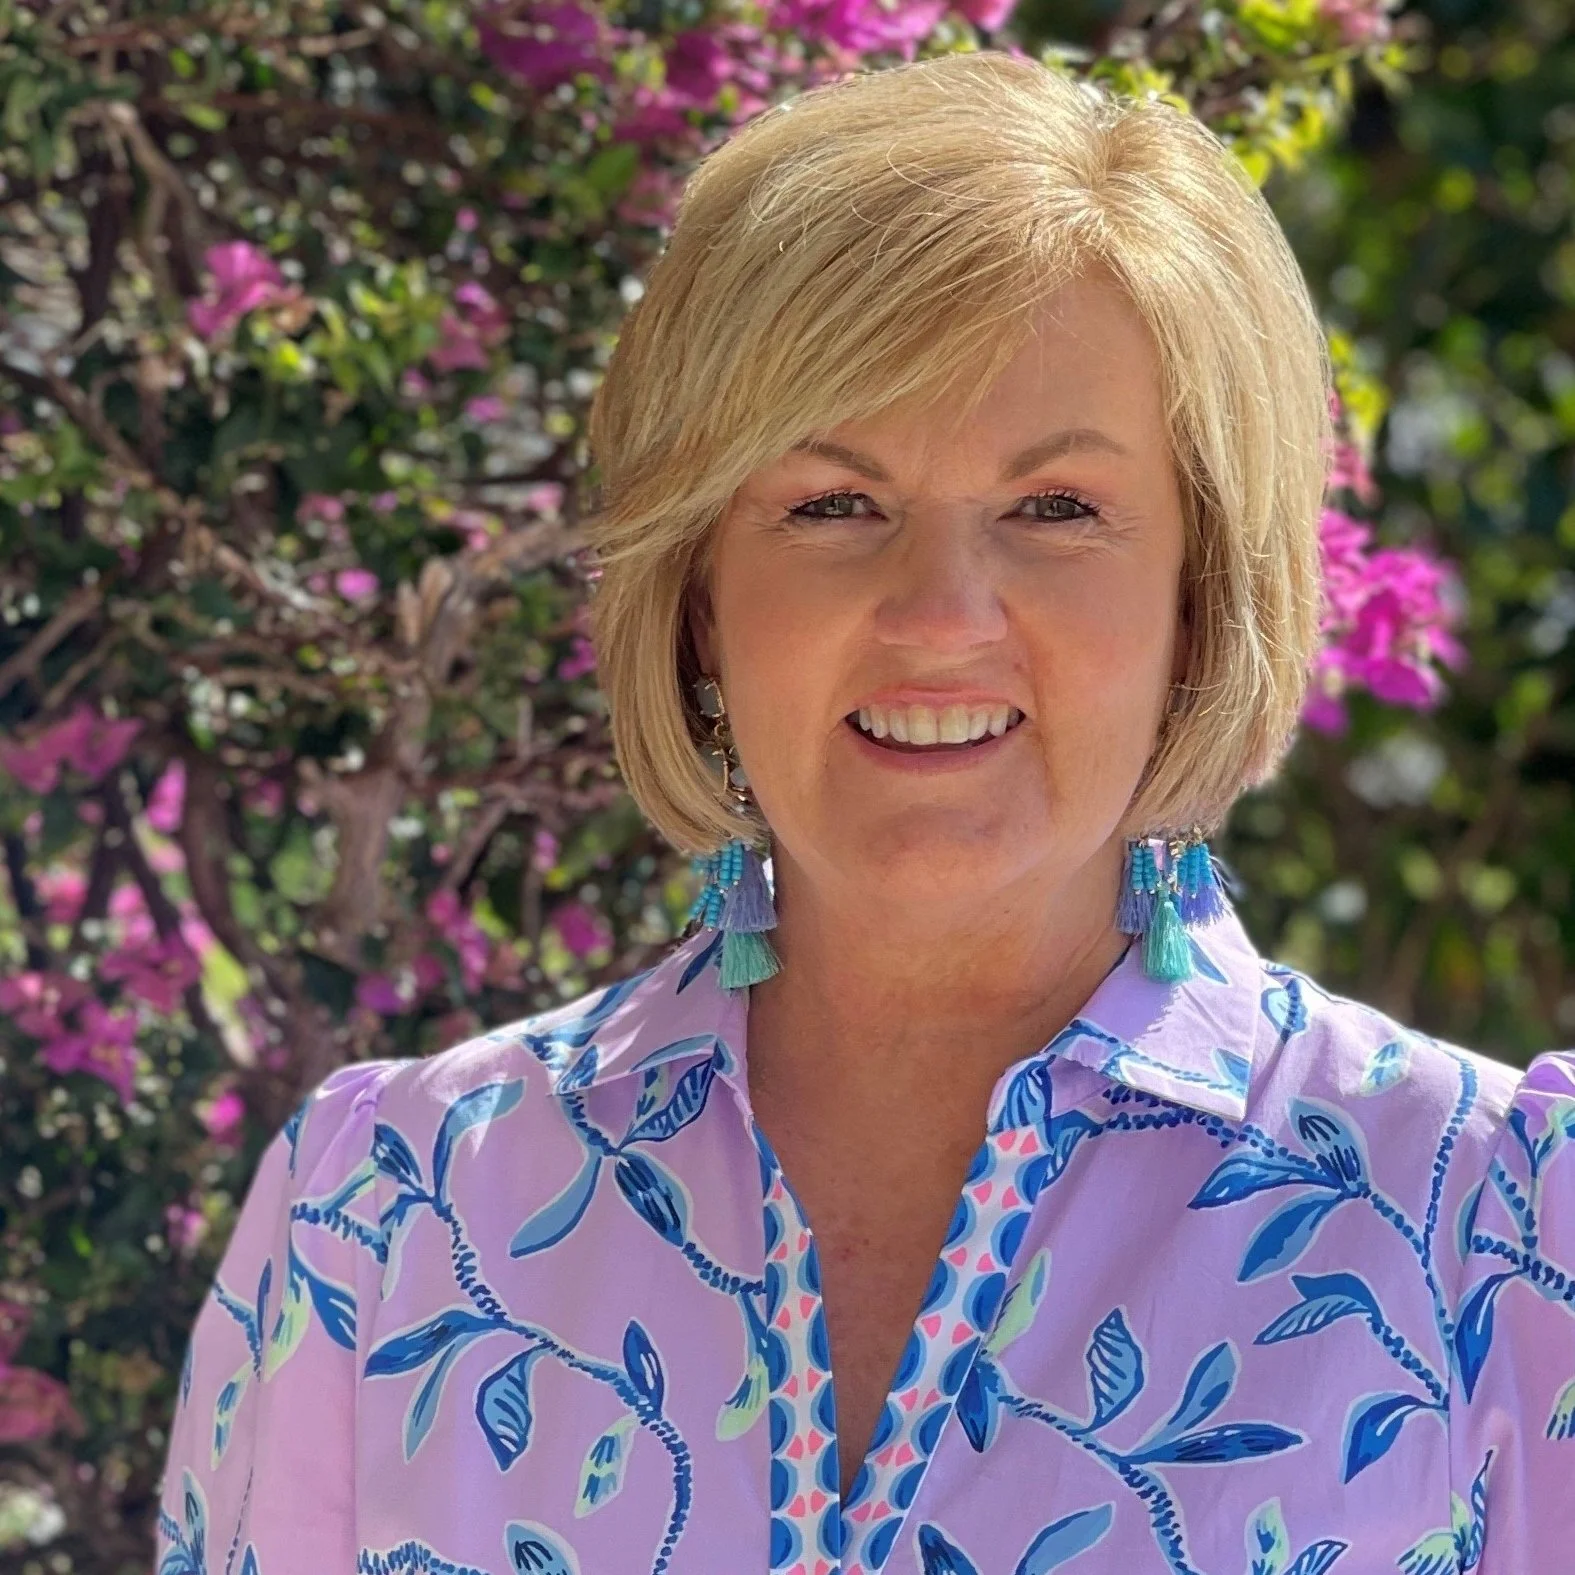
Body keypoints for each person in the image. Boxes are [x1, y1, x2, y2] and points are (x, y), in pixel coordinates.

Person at [154, 51, 1574, 1575]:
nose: (939, 614)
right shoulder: (387, 1209)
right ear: (700, 595)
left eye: (1055, 508)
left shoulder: (1494, 1238)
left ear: (1200, 592)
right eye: (833, 503)